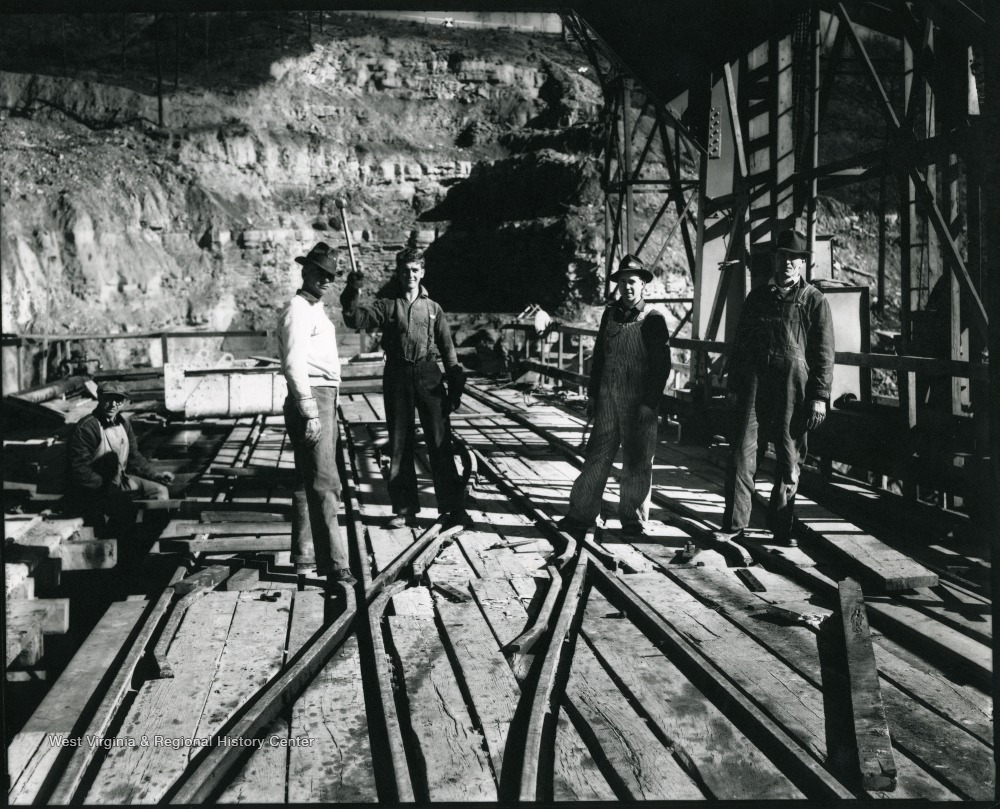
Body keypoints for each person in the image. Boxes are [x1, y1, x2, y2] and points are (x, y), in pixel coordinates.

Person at [719, 228, 835, 546]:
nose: (788, 263)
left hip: (792, 390)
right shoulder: (757, 298)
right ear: (775, 259)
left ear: (802, 263)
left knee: (789, 458)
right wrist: (733, 384)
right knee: (742, 453)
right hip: (754, 386)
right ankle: (734, 525)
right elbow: (740, 345)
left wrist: (820, 396)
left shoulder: (814, 301)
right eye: (783, 256)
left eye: (794, 258)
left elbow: (824, 354)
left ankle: (780, 528)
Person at [340, 246, 467, 529]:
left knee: (440, 442)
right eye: (405, 270)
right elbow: (355, 319)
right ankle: (405, 509)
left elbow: (448, 350)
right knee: (400, 443)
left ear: (422, 273)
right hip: (397, 375)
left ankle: (453, 508)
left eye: (415, 270)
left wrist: (455, 386)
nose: (410, 275)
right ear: (398, 274)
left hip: (429, 375)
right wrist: (353, 291)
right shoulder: (387, 306)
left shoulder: (433, 309)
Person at [559, 254, 672, 537]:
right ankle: (581, 513)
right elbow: (599, 357)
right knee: (597, 454)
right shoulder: (610, 315)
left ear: (643, 284)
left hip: (638, 400)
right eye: (622, 282)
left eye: (632, 282)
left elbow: (661, 367)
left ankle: (633, 519)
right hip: (608, 396)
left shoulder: (653, 319)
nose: (627, 287)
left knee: (637, 460)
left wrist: (649, 403)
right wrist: (593, 395)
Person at [277, 241, 355, 584]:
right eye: (319, 273)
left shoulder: (314, 308)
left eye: (330, 276)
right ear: (305, 271)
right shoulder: (297, 310)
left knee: (307, 478)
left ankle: (305, 554)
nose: (325, 280)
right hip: (313, 397)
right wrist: (309, 409)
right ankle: (335, 565)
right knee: (325, 482)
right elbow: (293, 363)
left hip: (324, 396)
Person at [67, 381, 173, 538]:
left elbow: (134, 458)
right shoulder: (87, 427)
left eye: (118, 400)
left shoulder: (123, 423)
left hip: (120, 479)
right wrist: (107, 487)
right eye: (108, 399)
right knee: (125, 508)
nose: (113, 405)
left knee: (159, 492)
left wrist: (155, 475)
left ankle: (149, 540)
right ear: (99, 398)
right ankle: (117, 545)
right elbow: (80, 471)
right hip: (94, 487)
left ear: (124, 402)